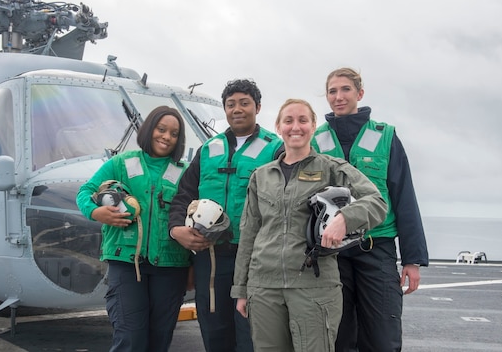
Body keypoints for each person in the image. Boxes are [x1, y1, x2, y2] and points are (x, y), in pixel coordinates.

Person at [231, 98, 387, 351]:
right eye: (289, 121)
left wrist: (344, 219)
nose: (296, 127)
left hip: (313, 287)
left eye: (303, 120)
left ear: (313, 126)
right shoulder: (260, 176)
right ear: (278, 127)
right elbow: (249, 233)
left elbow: (377, 202)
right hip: (264, 287)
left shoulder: (332, 168)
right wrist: (241, 289)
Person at [311, 67, 429, 351]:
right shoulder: (316, 140)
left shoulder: (385, 136)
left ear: (359, 93)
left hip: (376, 248)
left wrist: (412, 260)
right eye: (332, 91)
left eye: (345, 89)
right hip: (332, 253)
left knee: (382, 336)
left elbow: (404, 196)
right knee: (337, 336)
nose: (338, 97)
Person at [169, 79, 283, 352]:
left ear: (257, 107)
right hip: (211, 257)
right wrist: (176, 229)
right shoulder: (208, 150)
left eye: (244, 103)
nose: (237, 109)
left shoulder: (275, 149)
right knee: (214, 330)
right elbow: (183, 195)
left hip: (255, 258)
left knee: (252, 333)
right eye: (230, 104)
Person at [76, 106, 190, 352]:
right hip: (127, 264)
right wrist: (97, 212)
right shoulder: (120, 163)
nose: (166, 137)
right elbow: (86, 192)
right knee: (130, 339)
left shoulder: (185, 172)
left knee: (160, 340)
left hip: (171, 267)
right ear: (149, 129)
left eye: (174, 133)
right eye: (161, 129)